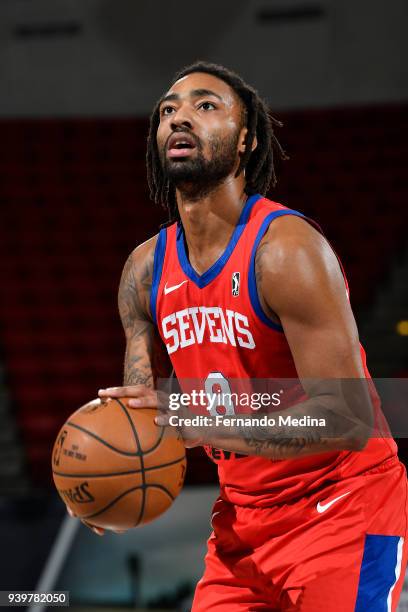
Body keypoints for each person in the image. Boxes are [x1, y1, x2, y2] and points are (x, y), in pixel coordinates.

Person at [71, 62, 407, 610]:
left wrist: (201, 425)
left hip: (342, 509)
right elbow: (140, 415)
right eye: (168, 110)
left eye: (206, 106)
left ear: (247, 138)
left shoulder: (286, 251)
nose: (180, 117)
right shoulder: (145, 271)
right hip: (242, 522)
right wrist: (101, 481)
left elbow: (348, 418)